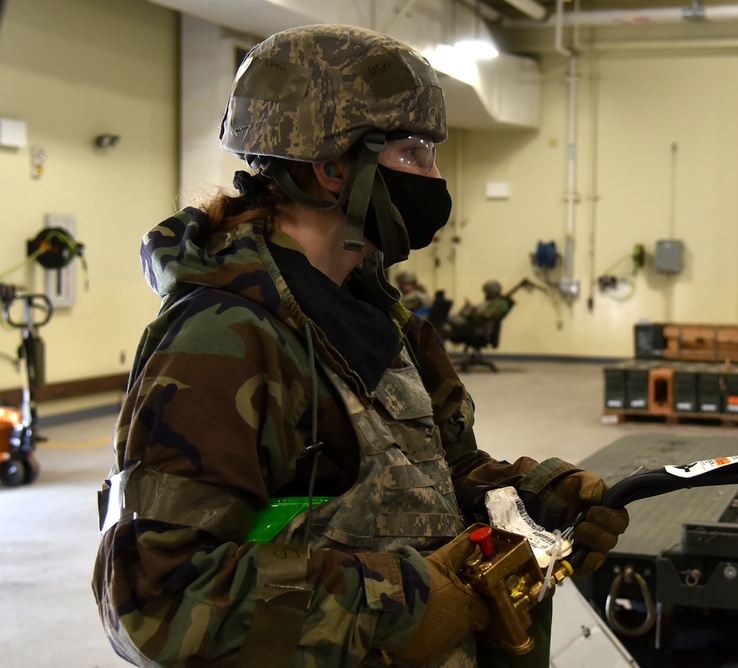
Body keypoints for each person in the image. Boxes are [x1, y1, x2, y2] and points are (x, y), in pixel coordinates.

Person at [92, 24, 627, 667]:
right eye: (413, 153)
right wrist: (392, 604)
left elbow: (431, 482)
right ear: (329, 169)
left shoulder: (382, 319)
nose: (434, 175)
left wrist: (533, 496)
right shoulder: (221, 341)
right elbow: (154, 600)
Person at [445, 280, 510, 342]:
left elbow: (486, 315)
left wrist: (474, 310)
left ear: (493, 292)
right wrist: (472, 308)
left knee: (445, 320)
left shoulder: (500, 304)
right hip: (473, 324)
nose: (486, 295)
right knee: (448, 322)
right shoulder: (491, 302)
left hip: (477, 327)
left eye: (487, 292)